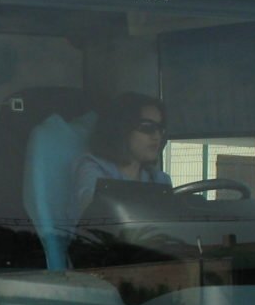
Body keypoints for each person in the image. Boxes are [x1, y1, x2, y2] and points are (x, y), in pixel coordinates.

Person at [23, 92, 172, 270]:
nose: (157, 136)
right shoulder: (91, 168)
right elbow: (97, 224)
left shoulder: (159, 179)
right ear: (123, 130)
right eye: (147, 128)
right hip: (100, 267)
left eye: (160, 129)